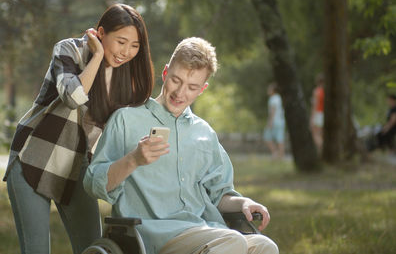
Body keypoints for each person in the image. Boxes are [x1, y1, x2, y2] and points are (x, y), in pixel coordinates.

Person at [84, 37, 278, 254]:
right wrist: (133, 159)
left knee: (264, 246)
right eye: (176, 80)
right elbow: (93, 183)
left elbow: (220, 195)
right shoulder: (126, 120)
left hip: (203, 230)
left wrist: (243, 203)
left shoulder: (204, 133)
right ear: (165, 73)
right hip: (152, 236)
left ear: (202, 89)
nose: (180, 93)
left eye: (192, 87)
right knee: (232, 242)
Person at [3, 3, 155, 254]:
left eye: (135, 46)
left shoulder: (123, 77)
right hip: (34, 158)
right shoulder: (69, 50)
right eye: (121, 41)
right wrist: (96, 57)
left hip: (76, 167)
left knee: (95, 247)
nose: (126, 52)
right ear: (101, 33)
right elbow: (72, 97)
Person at [263, 83, 285, 160]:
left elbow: (273, 111)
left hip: (274, 121)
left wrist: (270, 122)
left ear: (273, 90)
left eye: (269, 89)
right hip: (281, 121)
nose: (268, 90)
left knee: (267, 137)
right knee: (280, 138)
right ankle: (281, 155)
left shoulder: (272, 99)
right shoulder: (279, 98)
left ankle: (275, 153)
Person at [310, 74, 324, 152]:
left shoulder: (317, 91)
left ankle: (322, 148)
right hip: (324, 114)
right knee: (321, 134)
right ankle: (321, 152)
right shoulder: (327, 91)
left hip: (318, 114)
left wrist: (312, 118)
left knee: (315, 135)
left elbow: (315, 105)